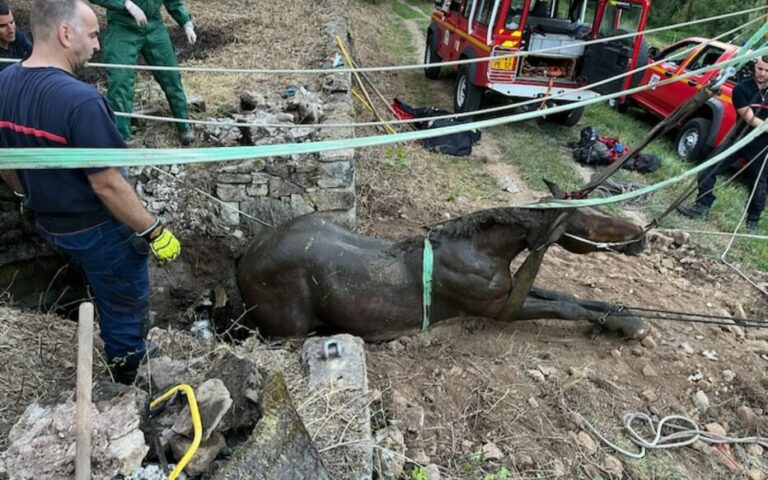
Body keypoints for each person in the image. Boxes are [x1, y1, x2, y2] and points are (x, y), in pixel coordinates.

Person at [0, 0, 181, 384]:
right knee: (124, 309)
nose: (98, 45)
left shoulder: (5, 83)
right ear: (66, 34)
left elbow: (7, 162)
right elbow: (108, 183)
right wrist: (154, 231)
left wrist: (23, 198)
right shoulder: (82, 102)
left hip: (49, 223)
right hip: (98, 232)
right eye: (94, 34)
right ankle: (130, 375)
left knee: (96, 281)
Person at [677, 56, 768, 234]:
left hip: (761, 144)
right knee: (709, 168)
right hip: (738, 137)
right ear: (755, 67)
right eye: (760, 69)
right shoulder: (742, 88)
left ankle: (752, 222)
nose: (762, 74)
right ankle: (702, 205)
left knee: (758, 182)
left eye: (767, 71)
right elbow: (748, 116)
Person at [91, 0, 197, 145]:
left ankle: (184, 125)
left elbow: (173, 2)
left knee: (171, 75)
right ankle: (121, 138)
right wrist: (126, 4)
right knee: (120, 79)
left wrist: (186, 23)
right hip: (122, 27)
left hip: (153, 25)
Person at [0, 0, 32, 71]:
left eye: (11, 22)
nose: (11, 30)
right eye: (2, 26)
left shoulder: (17, 36)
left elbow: (34, 54)